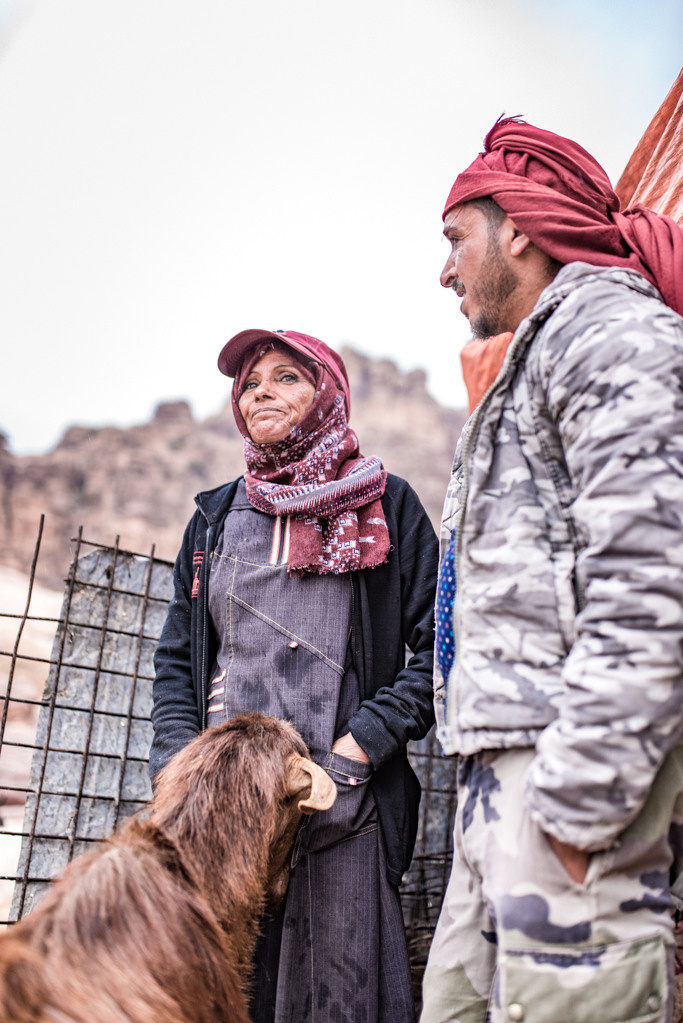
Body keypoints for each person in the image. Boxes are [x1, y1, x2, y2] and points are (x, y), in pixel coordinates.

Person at [421, 117, 683, 1023]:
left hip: (571, 800)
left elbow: (655, 575)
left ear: (519, 229)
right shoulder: (534, 354)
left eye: (455, 239)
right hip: (502, 793)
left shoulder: (612, 334)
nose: (444, 271)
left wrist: (578, 804)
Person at [150, 328, 438, 1023]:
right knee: (228, 991)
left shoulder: (386, 506)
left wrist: (358, 746)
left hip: (341, 804)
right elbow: (176, 663)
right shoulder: (215, 520)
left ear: (327, 395)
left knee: (339, 994)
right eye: (249, 384)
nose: (261, 395)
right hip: (226, 817)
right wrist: (178, 770)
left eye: (285, 378)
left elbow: (441, 651)